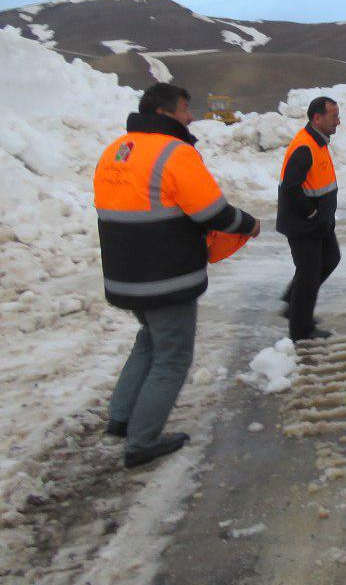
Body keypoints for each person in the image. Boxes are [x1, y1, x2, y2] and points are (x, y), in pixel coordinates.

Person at [94, 82, 260, 468]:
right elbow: (212, 212)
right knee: (172, 357)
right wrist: (249, 224)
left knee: (149, 341)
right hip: (165, 277)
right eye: (187, 108)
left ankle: (121, 417)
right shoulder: (175, 153)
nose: (191, 116)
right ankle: (142, 440)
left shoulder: (117, 151)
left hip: (124, 274)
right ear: (167, 112)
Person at [277, 96, 341, 341]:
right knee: (309, 274)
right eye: (333, 116)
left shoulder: (318, 142)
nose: (338, 121)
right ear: (317, 118)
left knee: (331, 259)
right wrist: (311, 213)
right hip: (304, 225)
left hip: (319, 223)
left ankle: (293, 305)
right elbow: (290, 188)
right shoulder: (304, 147)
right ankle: (301, 330)